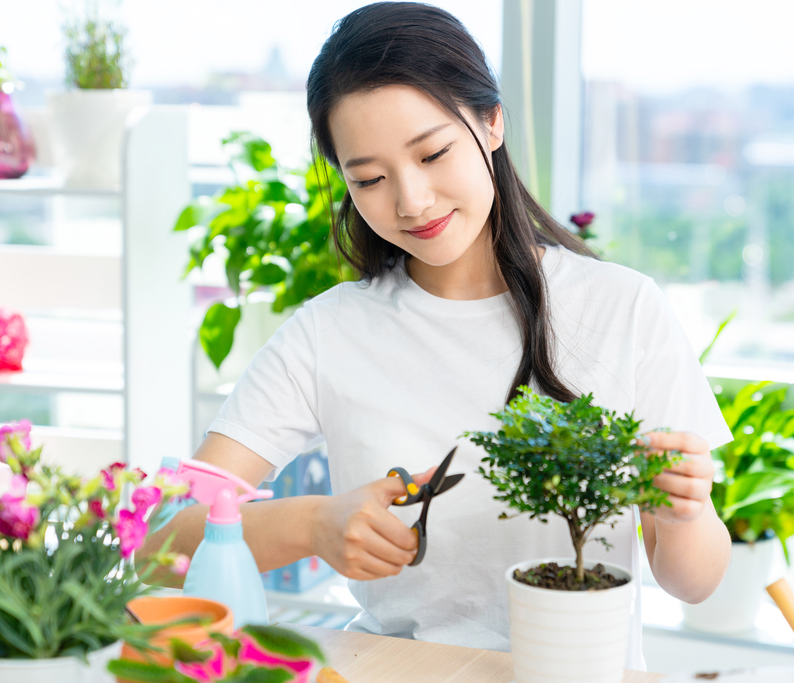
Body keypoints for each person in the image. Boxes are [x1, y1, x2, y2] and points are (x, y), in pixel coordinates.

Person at [141, 1, 733, 669]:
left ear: (491, 120)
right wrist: (311, 524)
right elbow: (159, 542)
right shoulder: (327, 334)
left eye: (432, 152)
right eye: (369, 178)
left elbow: (695, 581)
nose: (413, 200)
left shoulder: (622, 309)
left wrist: (685, 514)